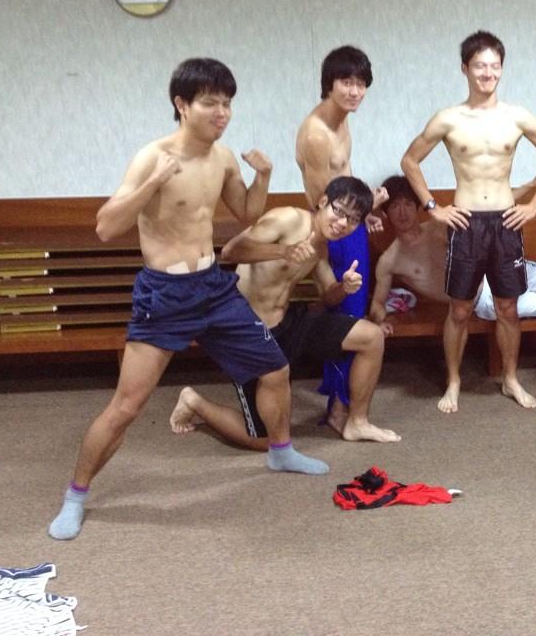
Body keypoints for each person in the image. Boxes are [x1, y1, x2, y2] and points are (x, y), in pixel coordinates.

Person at [48, 58, 327, 541]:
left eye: (227, 103)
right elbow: (106, 227)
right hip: (165, 296)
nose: (222, 113)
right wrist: (153, 183)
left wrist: (263, 176)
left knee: (275, 368)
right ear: (182, 104)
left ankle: (280, 451)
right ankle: (75, 495)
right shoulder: (151, 156)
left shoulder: (223, 157)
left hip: (213, 287)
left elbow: (247, 213)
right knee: (126, 407)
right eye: (210, 103)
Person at [400, 30, 536, 413]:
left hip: (506, 222)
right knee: (460, 308)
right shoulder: (448, 119)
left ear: (502, 69)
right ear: (465, 68)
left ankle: (510, 379)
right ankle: (453, 382)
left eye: (494, 66)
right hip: (466, 224)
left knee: (508, 308)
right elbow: (409, 161)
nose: (487, 73)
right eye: (479, 66)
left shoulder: (517, 116)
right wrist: (432, 207)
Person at [169, 176, 400, 447]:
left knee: (372, 337)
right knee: (267, 441)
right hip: (248, 333)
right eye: (339, 211)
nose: (342, 223)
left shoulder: (322, 246)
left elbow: (328, 295)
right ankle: (194, 401)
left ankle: (357, 422)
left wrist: (345, 287)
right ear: (323, 201)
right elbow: (231, 251)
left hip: (287, 323)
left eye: (352, 219)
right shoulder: (288, 219)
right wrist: (284, 251)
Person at [295, 45, 385, 431]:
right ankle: (338, 410)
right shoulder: (316, 134)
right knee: (344, 321)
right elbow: (326, 205)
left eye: (361, 83)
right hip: (336, 234)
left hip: (352, 227)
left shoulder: (342, 121)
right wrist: (360, 214)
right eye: (346, 82)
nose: (355, 91)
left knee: (354, 316)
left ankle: (343, 403)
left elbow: (344, 181)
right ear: (328, 84)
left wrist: (366, 213)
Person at [369, 174, 536, 326]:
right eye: (394, 206)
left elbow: (487, 205)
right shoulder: (390, 260)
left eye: (407, 204)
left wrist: (532, 184)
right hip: (482, 299)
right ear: (385, 214)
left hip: (498, 268)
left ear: (417, 206)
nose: (402, 212)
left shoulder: (439, 225)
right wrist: (379, 323)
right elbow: (377, 305)